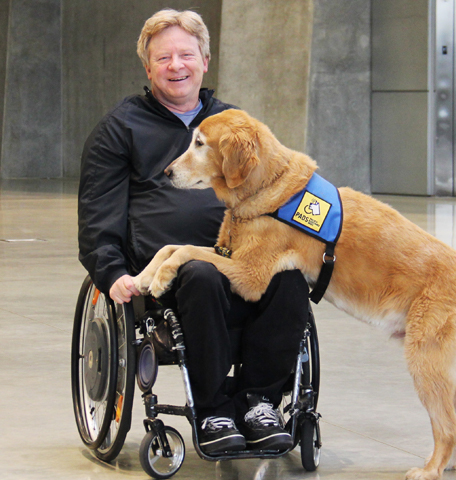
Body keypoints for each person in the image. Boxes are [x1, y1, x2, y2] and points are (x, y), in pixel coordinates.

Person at [77, 9, 310, 454]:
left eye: (186, 54)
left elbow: (282, 187)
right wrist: (110, 274)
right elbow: (98, 216)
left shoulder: (236, 125)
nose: (176, 65)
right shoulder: (119, 129)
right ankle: (214, 409)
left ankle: (259, 402)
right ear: (148, 68)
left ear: (205, 59)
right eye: (163, 58)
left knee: (289, 273)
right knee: (200, 275)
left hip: (241, 258)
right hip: (168, 277)